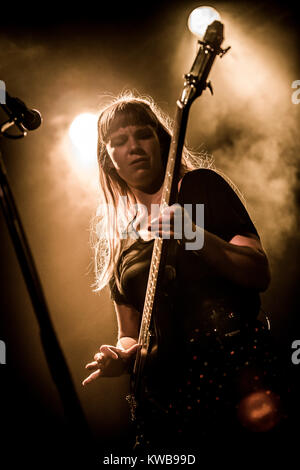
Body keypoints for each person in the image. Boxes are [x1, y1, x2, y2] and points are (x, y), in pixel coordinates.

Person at [82, 92, 286, 453]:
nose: (134, 147)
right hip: (167, 408)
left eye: (142, 135)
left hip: (235, 380)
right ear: (108, 158)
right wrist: (120, 356)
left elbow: (258, 271)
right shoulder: (117, 236)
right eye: (119, 141)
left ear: (161, 141)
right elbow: (131, 333)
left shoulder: (199, 188)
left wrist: (192, 233)